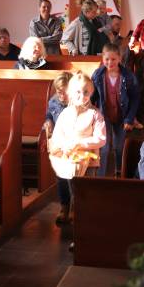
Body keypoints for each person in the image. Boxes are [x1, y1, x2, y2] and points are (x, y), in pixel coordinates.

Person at [48, 72, 106, 220]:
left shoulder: (95, 114)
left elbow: (101, 138)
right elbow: (58, 134)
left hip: (89, 161)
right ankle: (65, 207)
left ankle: (80, 216)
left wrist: (80, 143)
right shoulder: (65, 113)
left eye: (86, 92)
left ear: (91, 92)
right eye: (78, 92)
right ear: (71, 93)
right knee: (65, 183)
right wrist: (63, 146)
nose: (82, 95)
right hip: (69, 159)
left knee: (83, 190)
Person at [91, 42, 140, 176]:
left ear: (119, 58)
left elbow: (135, 98)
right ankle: (101, 176)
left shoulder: (128, 76)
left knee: (119, 147)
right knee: (105, 147)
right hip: (104, 115)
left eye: (113, 59)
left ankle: (119, 172)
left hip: (122, 116)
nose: (110, 62)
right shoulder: (97, 75)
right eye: (107, 59)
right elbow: (93, 96)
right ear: (103, 59)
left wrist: (130, 118)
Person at [43, 72, 73, 225]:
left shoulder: (77, 103)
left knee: (73, 178)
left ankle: (75, 208)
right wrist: (48, 122)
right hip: (58, 143)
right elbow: (48, 114)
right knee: (61, 177)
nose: (61, 95)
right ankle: (64, 207)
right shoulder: (54, 100)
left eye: (64, 91)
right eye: (58, 91)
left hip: (73, 144)